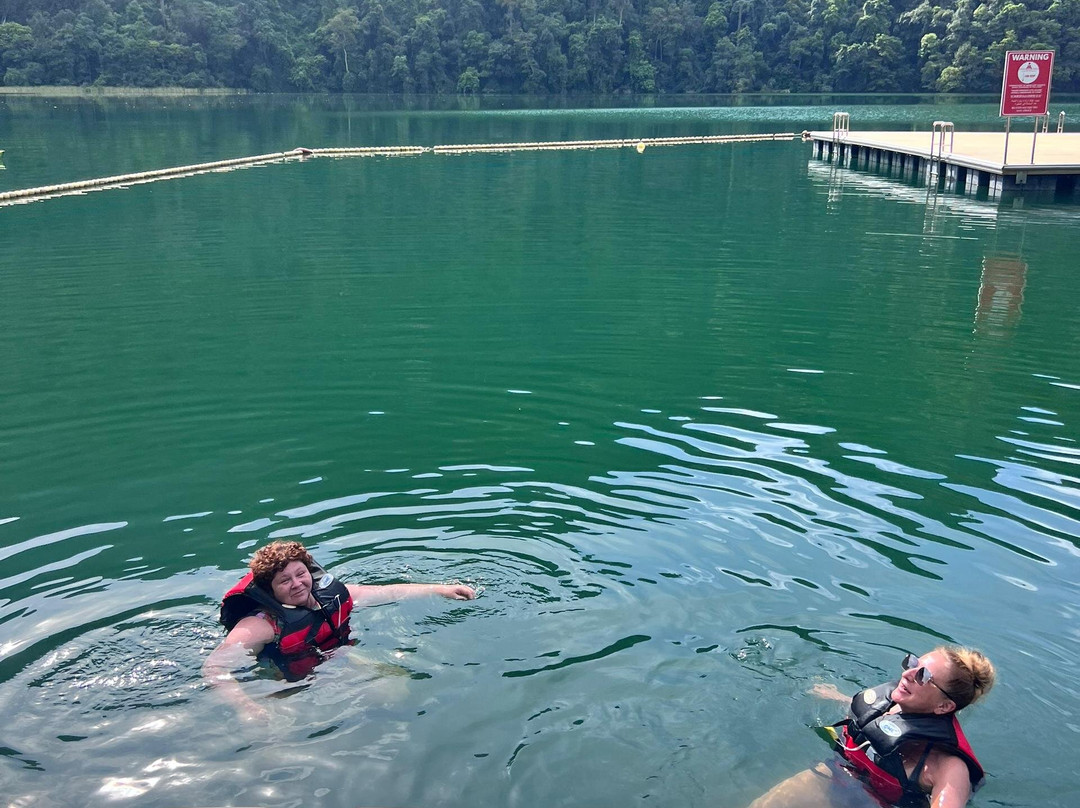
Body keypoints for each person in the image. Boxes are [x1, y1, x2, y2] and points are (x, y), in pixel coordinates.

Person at [203, 540, 475, 719]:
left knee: (398, 686)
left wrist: (441, 589)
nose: (297, 584)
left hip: (333, 662)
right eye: (284, 581)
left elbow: (388, 592)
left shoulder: (329, 595)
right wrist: (246, 706)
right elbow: (214, 667)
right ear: (270, 590)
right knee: (278, 732)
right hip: (285, 683)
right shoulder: (261, 624)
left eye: (300, 574)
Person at [749, 646, 995, 808]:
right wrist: (835, 696)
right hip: (832, 780)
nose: (908, 674)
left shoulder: (949, 768)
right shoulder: (894, 704)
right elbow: (873, 719)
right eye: (914, 664)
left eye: (924, 677)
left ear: (944, 707)